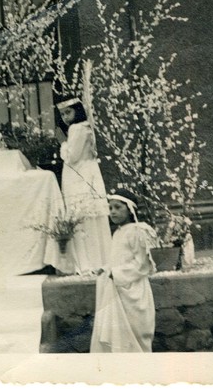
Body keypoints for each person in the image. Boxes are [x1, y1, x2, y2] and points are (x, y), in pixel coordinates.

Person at [90, 189, 158, 353]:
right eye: (110, 207)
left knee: (136, 331)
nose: (112, 211)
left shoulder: (137, 231)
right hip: (118, 289)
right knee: (118, 333)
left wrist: (116, 273)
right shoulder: (118, 233)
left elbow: (142, 265)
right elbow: (119, 259)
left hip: (133, 290)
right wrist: (106, 269)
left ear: (130, 209)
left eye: (118, 207)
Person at [57, 98, 111, 274]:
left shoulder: (77, 128)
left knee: (82, 216)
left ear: (77, 111)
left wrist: (63, 143)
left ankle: (87, 262)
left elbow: (71, 156)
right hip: (88, 172)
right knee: (91, 218)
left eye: (68, 112)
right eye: (62, 114)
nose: (65, 117)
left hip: (79, 175)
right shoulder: (87, 127)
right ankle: (100, 259)